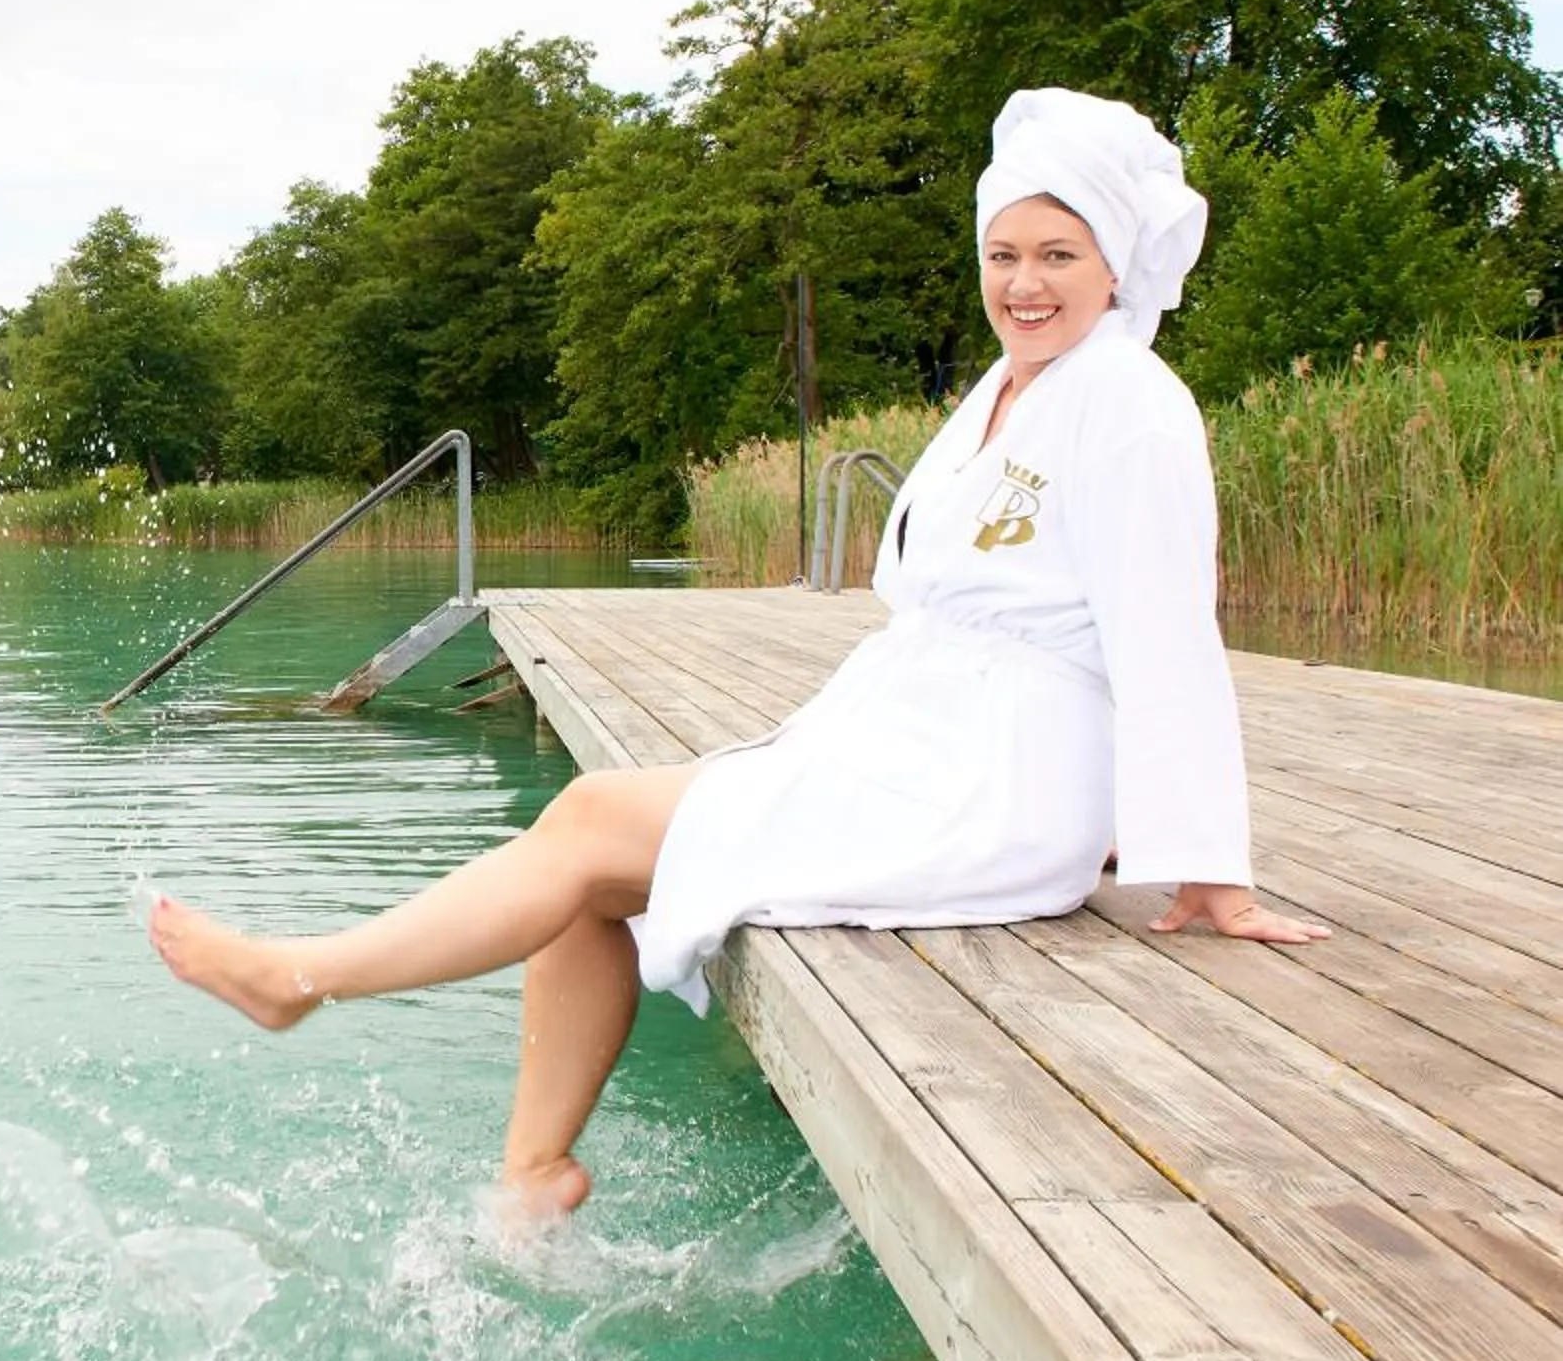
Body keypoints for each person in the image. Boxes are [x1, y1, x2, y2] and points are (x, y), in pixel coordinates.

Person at [146, 87, 1328, 1216]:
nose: (1024, 282)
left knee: (598, 820)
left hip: (991, 784)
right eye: (1003, 253)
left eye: (1058, 255)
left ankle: (301, 979)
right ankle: (531, 1174)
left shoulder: (1128, 397)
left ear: (1114, 263)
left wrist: (1203, 863)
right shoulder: (1013, 388)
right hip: (926, 739)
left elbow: (1165, 633)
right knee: (588, 852)